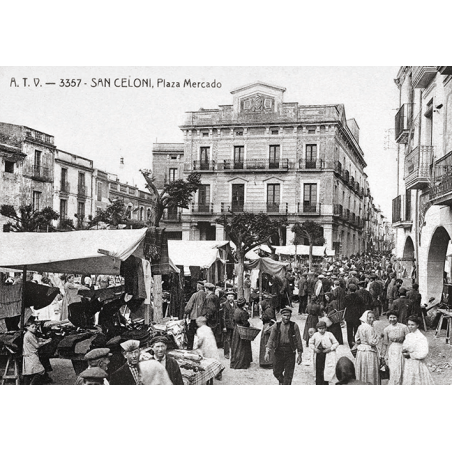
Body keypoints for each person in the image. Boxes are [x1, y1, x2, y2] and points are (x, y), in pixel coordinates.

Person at [265, 307, 303, 385]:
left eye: (288, 316)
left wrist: (300, 354)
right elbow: (271, 339)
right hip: (279, 351)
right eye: (285, 315)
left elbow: (298, 340)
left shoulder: (294, 326)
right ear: (281, 316)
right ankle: (282, 381)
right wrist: (267, 352)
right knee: (276, 371)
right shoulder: (276, 326)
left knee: (288, 374)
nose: (286, 317)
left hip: (290, 352)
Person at [401, 315, 434, 385]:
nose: (410, 327)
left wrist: (411, 354)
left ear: (417, 325)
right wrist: (404, 351)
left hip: (417, 363)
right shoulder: (408, 335)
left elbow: (423, 353)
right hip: (409, 363)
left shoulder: (421, 337)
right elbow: (405, 346)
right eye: (409, 325)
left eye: (412, 325)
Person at [380, 311, 409, 385]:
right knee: (393, 368)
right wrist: (382, 355)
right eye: (390, 317)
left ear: (397, 318)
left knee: (402, 367)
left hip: (402, 348)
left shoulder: (404, 327)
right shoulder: (387, 329)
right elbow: (385, 343)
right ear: (388, 318)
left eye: (394, 317)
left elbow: (409, 340)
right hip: (392, 350)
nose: (392, 319)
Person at [22, 319, 52, 385]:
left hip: (29, 356)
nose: (35, 328)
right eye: (32, 327)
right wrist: (46, 342)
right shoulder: (29, 335)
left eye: (35, 327)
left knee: (28, 372)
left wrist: (44, 339)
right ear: (27, 327)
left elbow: (38, 339)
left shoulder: (30, 334)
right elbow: (37, 345)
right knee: (41, 371)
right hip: (31, 356)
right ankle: (32, 385)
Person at [309, 320, 339, 385]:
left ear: (326, 328)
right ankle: (318, 383)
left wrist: (330, 348)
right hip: (318, 354)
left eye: (323, 328)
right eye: (320, 329)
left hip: (327, 354)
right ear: (317, 329)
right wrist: (314, 349)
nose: (321, 330)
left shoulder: (329, 334)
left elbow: (336, 343)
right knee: (318, 369)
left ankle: (325, 383)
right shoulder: (315, 335)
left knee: (326, 369)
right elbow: (310, 343)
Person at [355, 310, 380, 385]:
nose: (371, 319)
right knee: (370, 370)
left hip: (361, 351)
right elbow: (372, 342)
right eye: (369, 318)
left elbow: (356, 339)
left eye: (373, 318)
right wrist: (378, 338)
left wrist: (362, 341)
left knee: (362, 368)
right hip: (369, 351)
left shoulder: (360, 326)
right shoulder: (370, 328)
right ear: (365, 317)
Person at [230, 297, 252, 369]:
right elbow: (245, 322)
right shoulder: (242, 312)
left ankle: (235, 361)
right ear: (243, 304)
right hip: (242, 329)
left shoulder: (236, 310)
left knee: (236, 345)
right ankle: (242, 363)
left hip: (236, 329)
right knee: (242, 346)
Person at [184, 282, 206, 350]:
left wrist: (186, 312)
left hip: (194, 317)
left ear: (198, 288)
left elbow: (189, 307)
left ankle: (190, 348)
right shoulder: (206, 295)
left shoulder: (195, 295)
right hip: (202, 318)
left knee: (190, 334)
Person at [344, 284, 365, 348]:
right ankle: (356, 342)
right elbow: (362, 306)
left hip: (349, 316)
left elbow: (344, 305)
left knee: (349, 330)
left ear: (349, 290)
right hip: (357, 315)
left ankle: (350, 342)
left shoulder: (347, 297)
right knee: (356, 329)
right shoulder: (360, 297)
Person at [259, 297, 276, 368]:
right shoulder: (267, 309)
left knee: (268, 343)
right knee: (265, 343)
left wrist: (269, 327)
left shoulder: (268, 310)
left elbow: (272, 320)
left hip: (268, 327)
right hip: (266, 327)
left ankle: (268, 362)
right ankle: (265, 362)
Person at [222, 291, 237, 359]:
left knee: (234, 339)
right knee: (227, 339)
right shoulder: (224, 305)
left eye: (232, 296)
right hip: (227, 324)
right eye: (229, 296)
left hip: (234, 324)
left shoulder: (236, 304)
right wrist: (224, 326)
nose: (231, 298)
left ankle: (234, 353)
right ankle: (226, 353)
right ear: (227, 297)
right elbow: (223, 316)